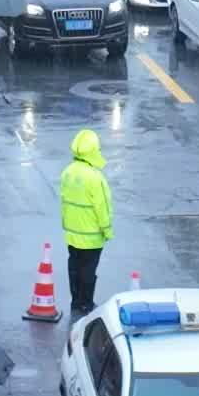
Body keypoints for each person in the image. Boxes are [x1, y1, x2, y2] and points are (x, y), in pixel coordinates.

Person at [59, 129, 114, 315]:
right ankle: (86, 303)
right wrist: (107, 231)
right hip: (92, 237)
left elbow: (65, 202)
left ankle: (75, 301)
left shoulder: (67, 172)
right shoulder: (96, 178)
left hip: (72, 234)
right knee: (88, 270)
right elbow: (103, 209)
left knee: (73, 266)